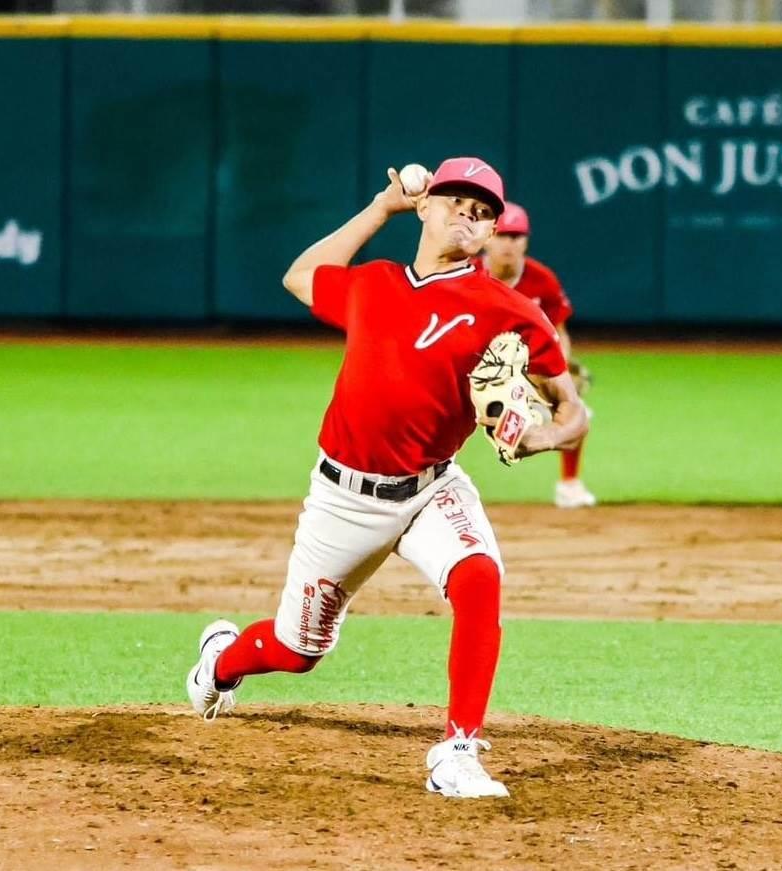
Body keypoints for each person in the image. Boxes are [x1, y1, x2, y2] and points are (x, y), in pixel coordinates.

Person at [186, 157, 588, 799]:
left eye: (484, 212)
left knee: (480, 575)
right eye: (457, 200)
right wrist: (380, 208)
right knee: (297, 650)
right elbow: (299, 276)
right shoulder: (371, 285)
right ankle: (221, 662)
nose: (470, 216)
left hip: (433, 486)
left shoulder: (507, 310)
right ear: (425, 205)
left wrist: (538, 435)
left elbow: (574, 409)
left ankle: (458, 749)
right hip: (343, 498)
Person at [478, 202, 596, 509]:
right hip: (469, 371)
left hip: (525, 377)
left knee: (579, 413)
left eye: (516, 236)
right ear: (488, 236)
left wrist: (562, 372)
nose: (509, 243)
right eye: (502, 235)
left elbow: (559, 333)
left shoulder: (541, 280)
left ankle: (569, 486)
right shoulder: (466, 274)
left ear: (526, 240)